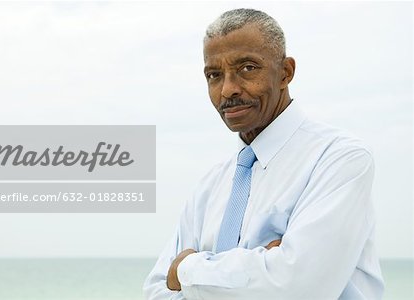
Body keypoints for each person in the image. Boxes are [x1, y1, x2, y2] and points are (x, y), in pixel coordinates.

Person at [143, 8, 384, 300]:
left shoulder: (340, 159)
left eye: (247, 68)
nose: (228, 89)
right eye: (214, 75)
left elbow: (299, 288)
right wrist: (261, 271)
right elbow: (156, 292)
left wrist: (185, 270)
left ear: (286, 73)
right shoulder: (210, 185)